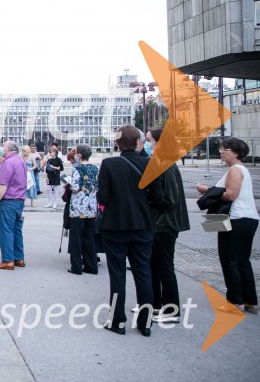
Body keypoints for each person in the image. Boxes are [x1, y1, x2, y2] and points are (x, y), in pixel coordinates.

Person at [96, 125, 167, 337]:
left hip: (115, 226)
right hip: (142, 225)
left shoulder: (109, 164)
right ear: (138, 142)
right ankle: (145, 323)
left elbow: (103, 198)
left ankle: (117, 321)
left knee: (117, 274)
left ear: (117, 143)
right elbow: (158, 198)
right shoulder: (149, 163)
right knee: (143, 273)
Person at [196, 137, 258, 314]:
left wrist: (207, 190)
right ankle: (250, 301)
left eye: (226, 150)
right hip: (248, 218)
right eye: (222, 149)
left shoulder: (234, 170)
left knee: (229, 260)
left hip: (235, 218)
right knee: (242, 261)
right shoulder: (242, 169)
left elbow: (231, 195)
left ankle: (235, 302)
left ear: (237, 153)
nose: (222, 152)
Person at [145, 127, 190, 322]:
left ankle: (171, 310)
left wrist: (150, 200)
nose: (147, 143)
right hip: (161, 223)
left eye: (149, 140)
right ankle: (155, 304)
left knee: (164, 267)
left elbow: (169, 199)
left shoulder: (162, 162)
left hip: (163, 224)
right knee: (154, 265)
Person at [0, 141, 27, 271]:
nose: (1, 149)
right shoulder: (20, 160)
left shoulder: (8, 162)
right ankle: (18, 258)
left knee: (5, 230)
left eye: (3, 147)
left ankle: (7, 260)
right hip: (19, 200)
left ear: (8, 149)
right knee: (16, 230)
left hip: (8, 200)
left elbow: (3, 185)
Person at [67, 144, 99, 275]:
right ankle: (91, 266)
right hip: (91, 207)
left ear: (79, 155)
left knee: (76, 239)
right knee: (89, 238)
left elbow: (75, 187)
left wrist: (68, 184)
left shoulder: (78, 168)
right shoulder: (95, 168)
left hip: (78, 208)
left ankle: (76, 267)